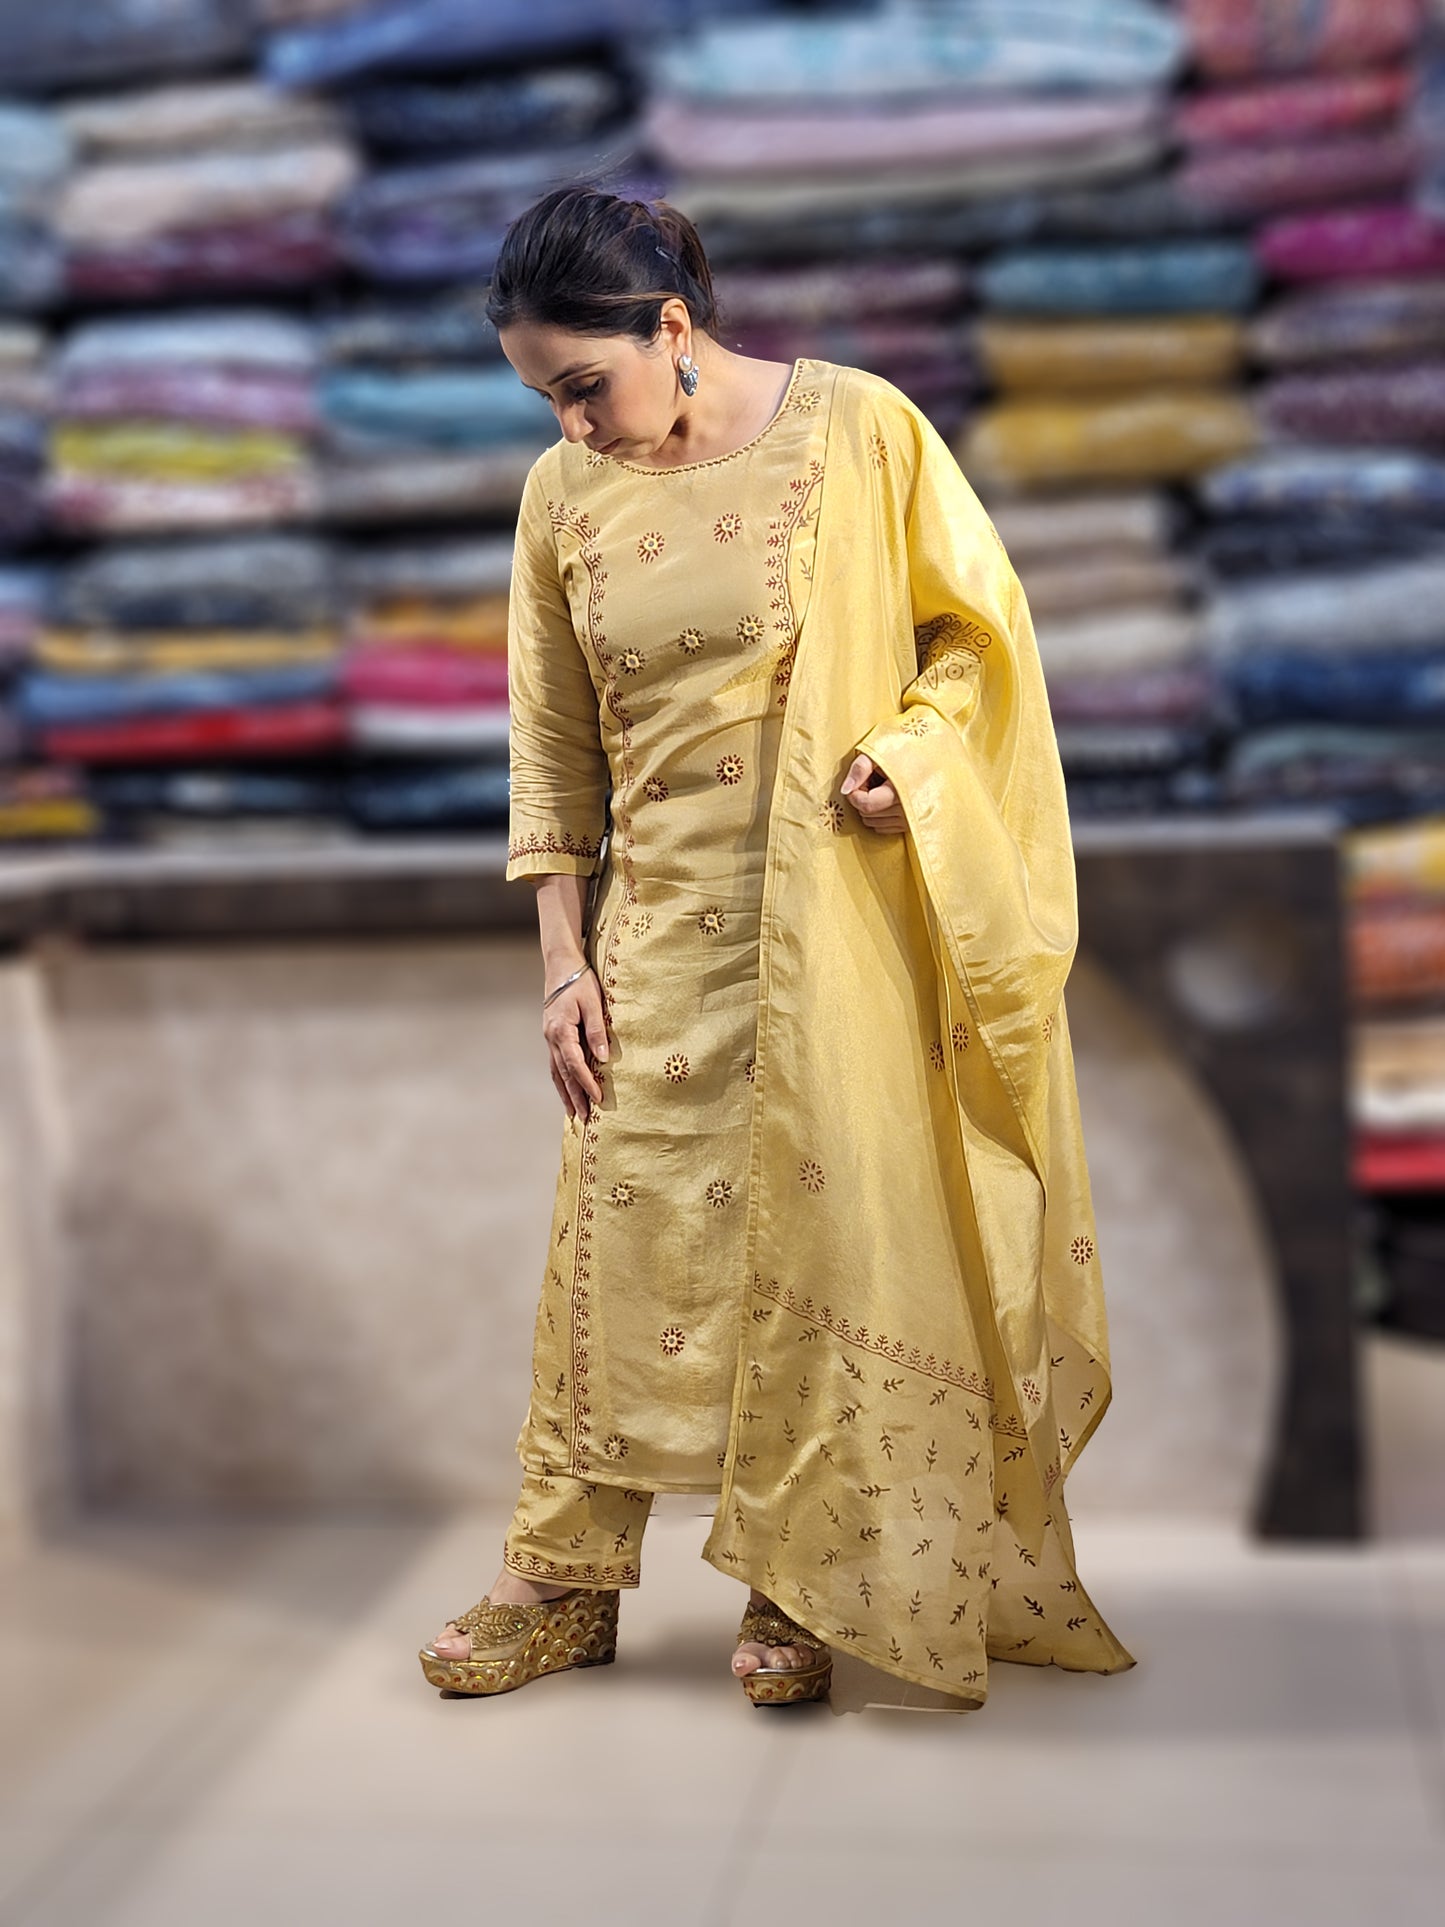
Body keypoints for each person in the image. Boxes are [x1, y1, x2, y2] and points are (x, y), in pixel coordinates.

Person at [419, 184, 1136, 1710]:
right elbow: (550, 744)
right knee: (619, 1257)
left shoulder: (858, 430)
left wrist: (911, 753)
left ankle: (797, 1576)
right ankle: (560, 1581)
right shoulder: (562, 494)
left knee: (824, 1242)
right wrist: (562, 961)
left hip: (839, 935)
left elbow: (976, 641)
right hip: (654, 948)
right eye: (544, 399)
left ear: (672, 327)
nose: (571, 425)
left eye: (583, 385)